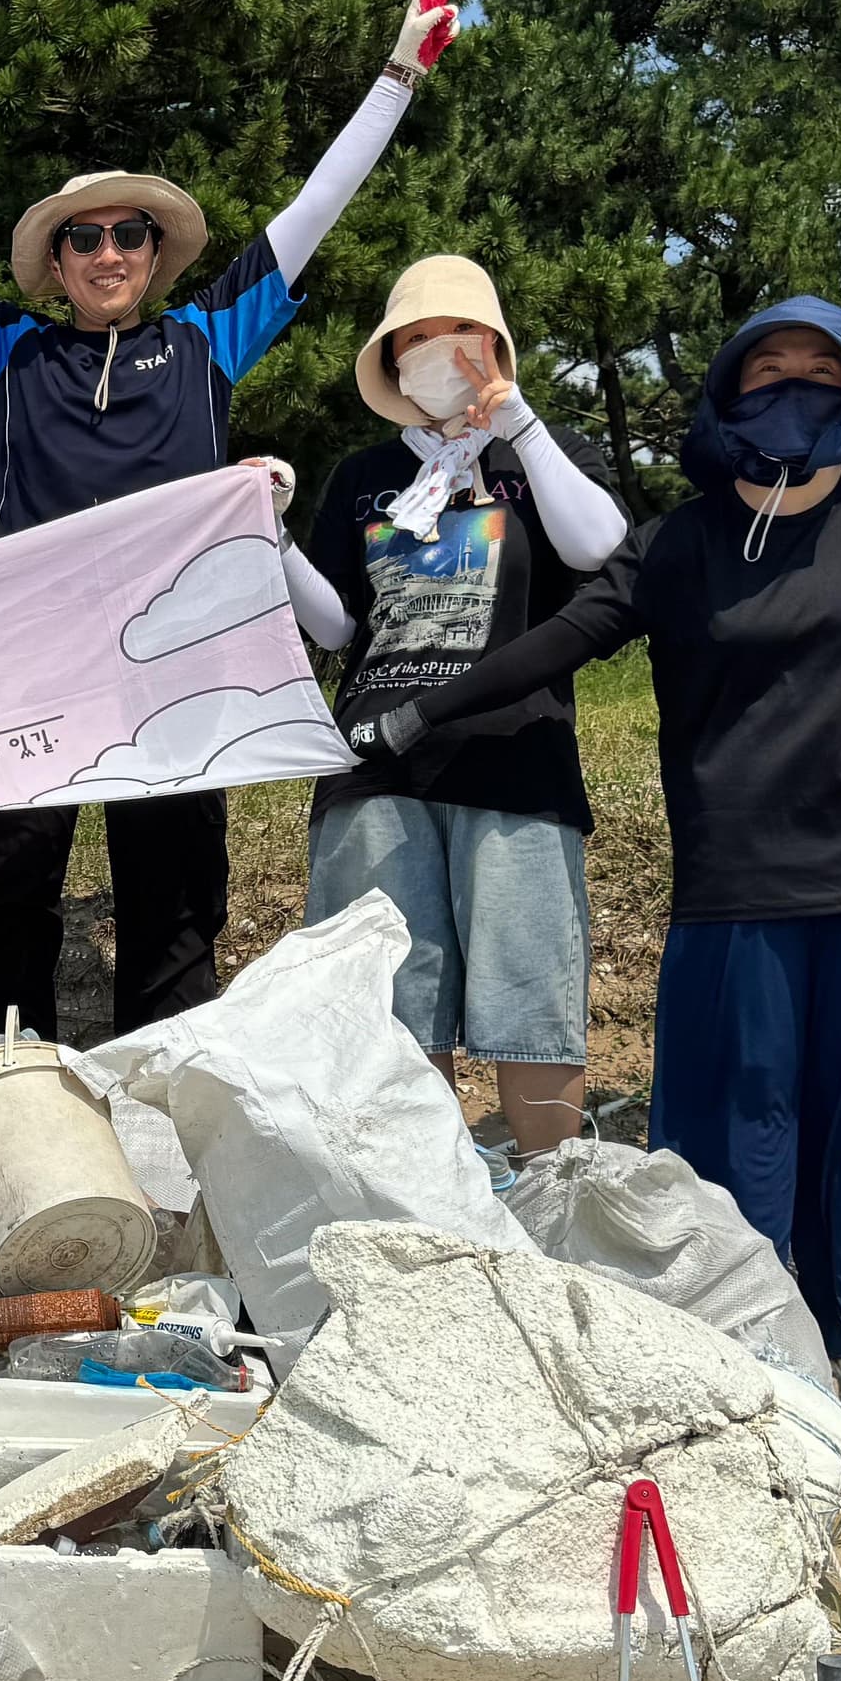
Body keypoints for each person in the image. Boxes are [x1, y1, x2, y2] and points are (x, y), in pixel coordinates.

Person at [0, 0, 469, 1042]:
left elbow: (317, 202)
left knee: (176, 908)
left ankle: (168, 1118)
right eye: (85, 237)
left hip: (176, 677)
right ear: (59, 262)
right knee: (5, 894)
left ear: (159, 253)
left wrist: (399, 75)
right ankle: (16, 1094)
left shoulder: (208, 340)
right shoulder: (4, 353)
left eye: (131, 234)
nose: (109, 250)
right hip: (25, 678)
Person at [343, 297, 841, 1437]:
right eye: (768, 370)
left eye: (820, 372)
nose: (793, 388)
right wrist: (418, 717)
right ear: (728, 396)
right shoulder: (681, 543)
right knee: (741, 1117)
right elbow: (558, 640)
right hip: (735, 871)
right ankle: (755, 1327)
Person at [283, 255, 630, 1156]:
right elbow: (334, 626)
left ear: (497, 345)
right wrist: (270, 534)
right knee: (395, 1012)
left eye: (460, 335)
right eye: (417, 339)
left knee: (530, 1001)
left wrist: (514, 420)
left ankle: (552, 1190)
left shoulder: (545, 453)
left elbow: (599, 548)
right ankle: (431, 1204)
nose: (440, 352)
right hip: (371, 767)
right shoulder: (363, 474)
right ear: (391, 359)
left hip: (515, 760)